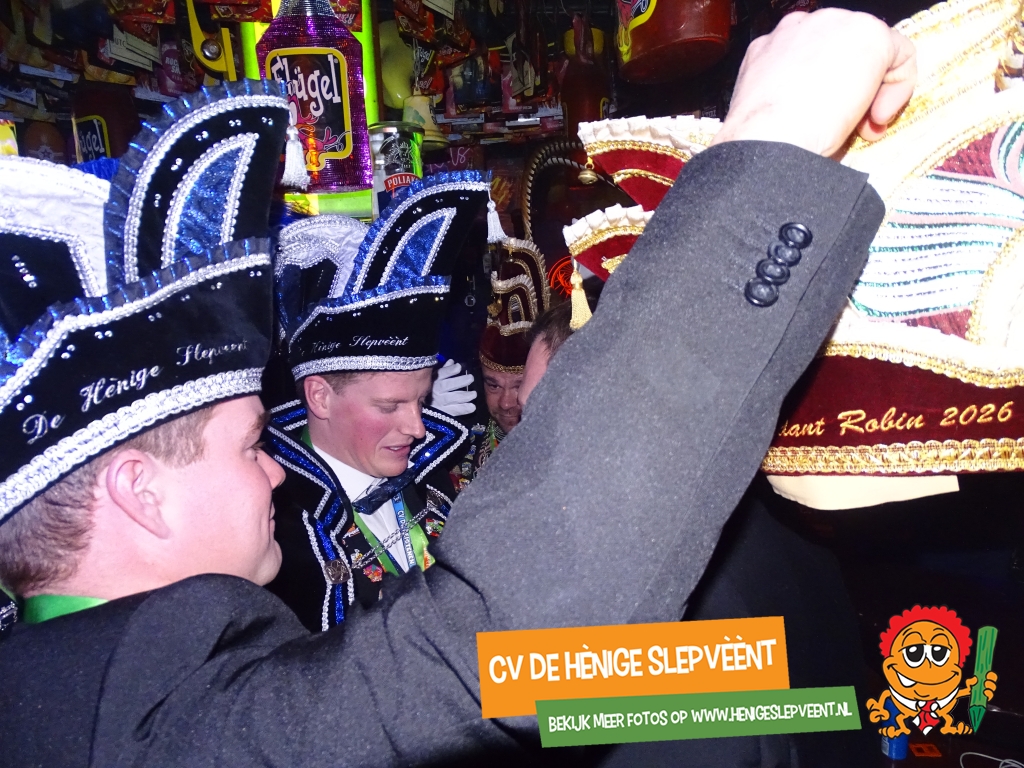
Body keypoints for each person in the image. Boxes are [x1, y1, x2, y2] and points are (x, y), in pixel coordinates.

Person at [0, 10, 913, 767]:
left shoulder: (82, 694)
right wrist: (772, 145)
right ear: (140, 490)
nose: (273, 465)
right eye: (247, 444)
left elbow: (460, 678)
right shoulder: (163, 728)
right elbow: (495, 652)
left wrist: (760, 686)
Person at [261, 185, 488, 631]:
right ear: (320, 397)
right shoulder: (280, 529)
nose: (418, 428)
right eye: (389, 406)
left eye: (421, 400)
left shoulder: (433, 470)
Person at [451, 238, 550, 491]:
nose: (506, 403)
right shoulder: (460, 448)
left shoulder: (574, 450)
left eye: (519, 385)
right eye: (493, 385)